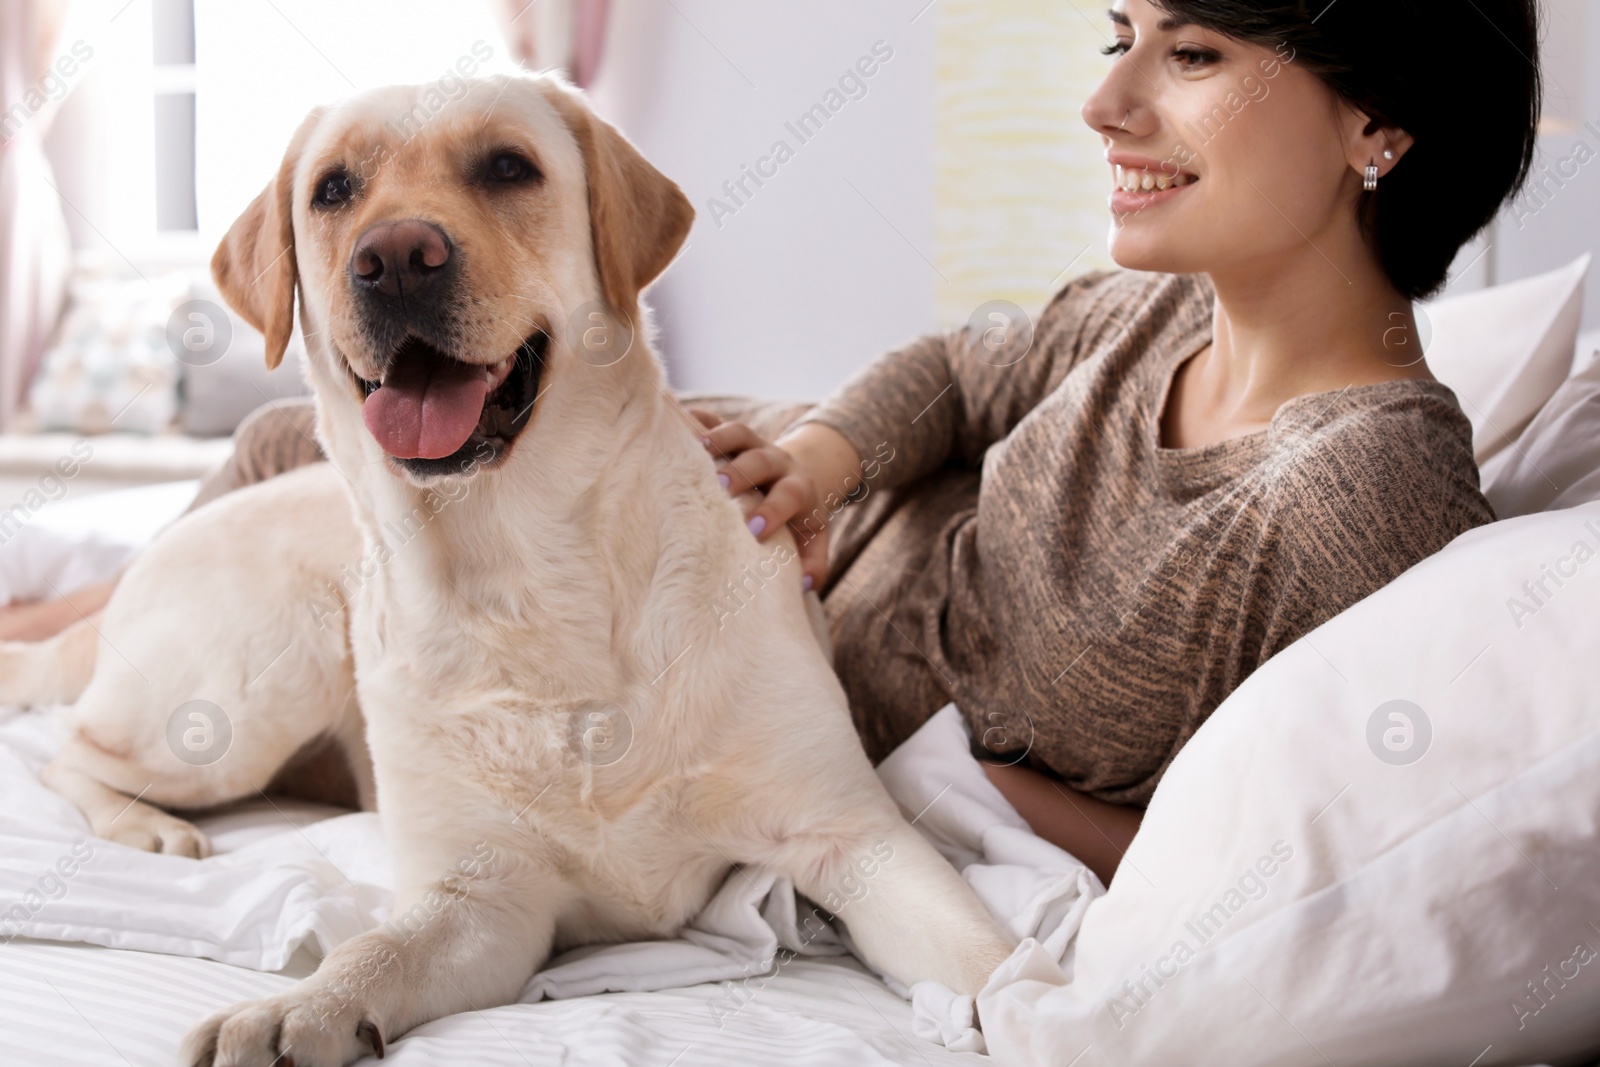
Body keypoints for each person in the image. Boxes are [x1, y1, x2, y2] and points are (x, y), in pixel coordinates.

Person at [0, 0, 1540, 887]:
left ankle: (48, 654)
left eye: (1190, 55)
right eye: (1118, 33)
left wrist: (940, 785)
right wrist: (818, 461)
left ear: (1378, 126)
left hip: (757, 656)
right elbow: (954, 366)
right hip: (757, 497)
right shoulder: (1152, 317)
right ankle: (49, 636)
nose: (1103, 100)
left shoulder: (1364, 483)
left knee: (307, 506)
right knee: (300, 448)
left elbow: (1321, 845)